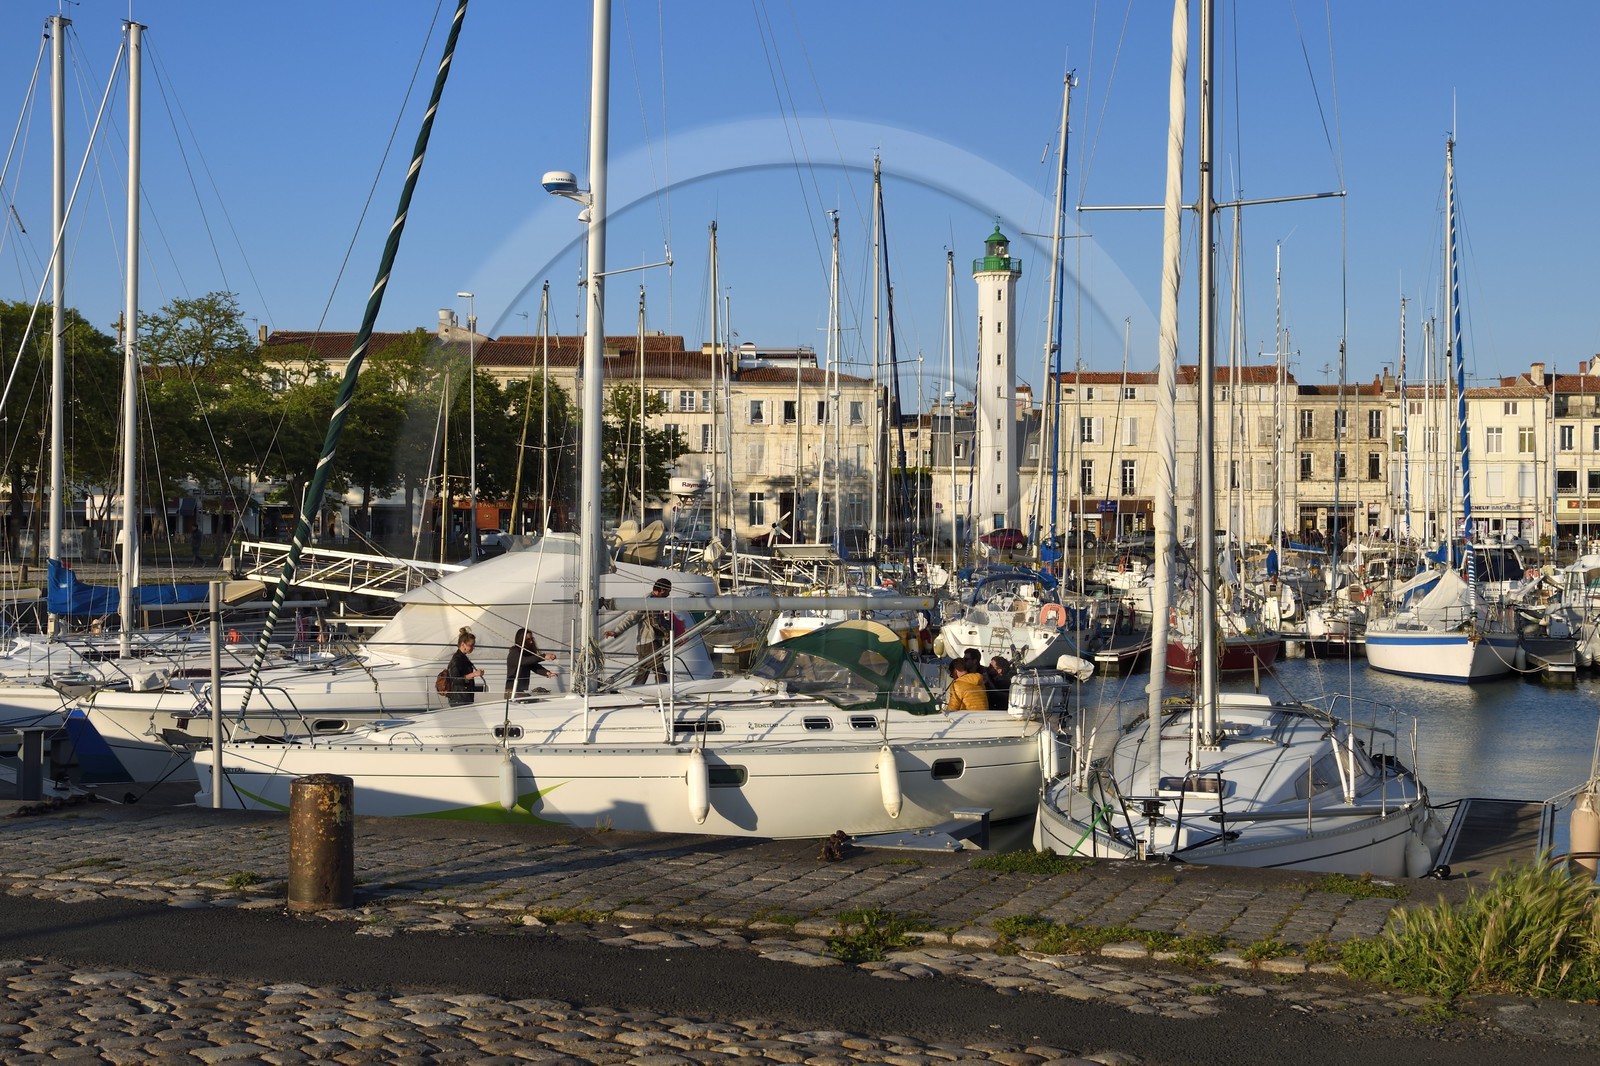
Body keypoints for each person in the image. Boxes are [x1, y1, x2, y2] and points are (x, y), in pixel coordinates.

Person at [604, 577, 674, 685]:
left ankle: (636, 688)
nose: (669, 594)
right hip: (649, 641)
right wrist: (617, 631)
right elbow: (632, 617)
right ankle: (664, 689)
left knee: (643, 670)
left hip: (648, 642)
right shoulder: (647, 601)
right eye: (668, 591)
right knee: (659, 668)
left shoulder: (658, 601)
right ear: (662, 590)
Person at [505, 627, 556, 699]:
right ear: (521, 640)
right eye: (528, 639)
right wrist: (543, 656)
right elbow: (524, 661)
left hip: (520, 690)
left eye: (532, 639)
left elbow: (533, 665)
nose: (531, 642)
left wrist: (547, 673)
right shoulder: (514, 653)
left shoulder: (525, 654)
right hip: (511, 691)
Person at [445, 627, 485, 706]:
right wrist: (474, 674)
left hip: (463, 698)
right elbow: (454, 679)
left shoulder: (462, 658)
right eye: (471, 645)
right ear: (463, 644)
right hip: (459, 699)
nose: (473, 648)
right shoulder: (457, 659)